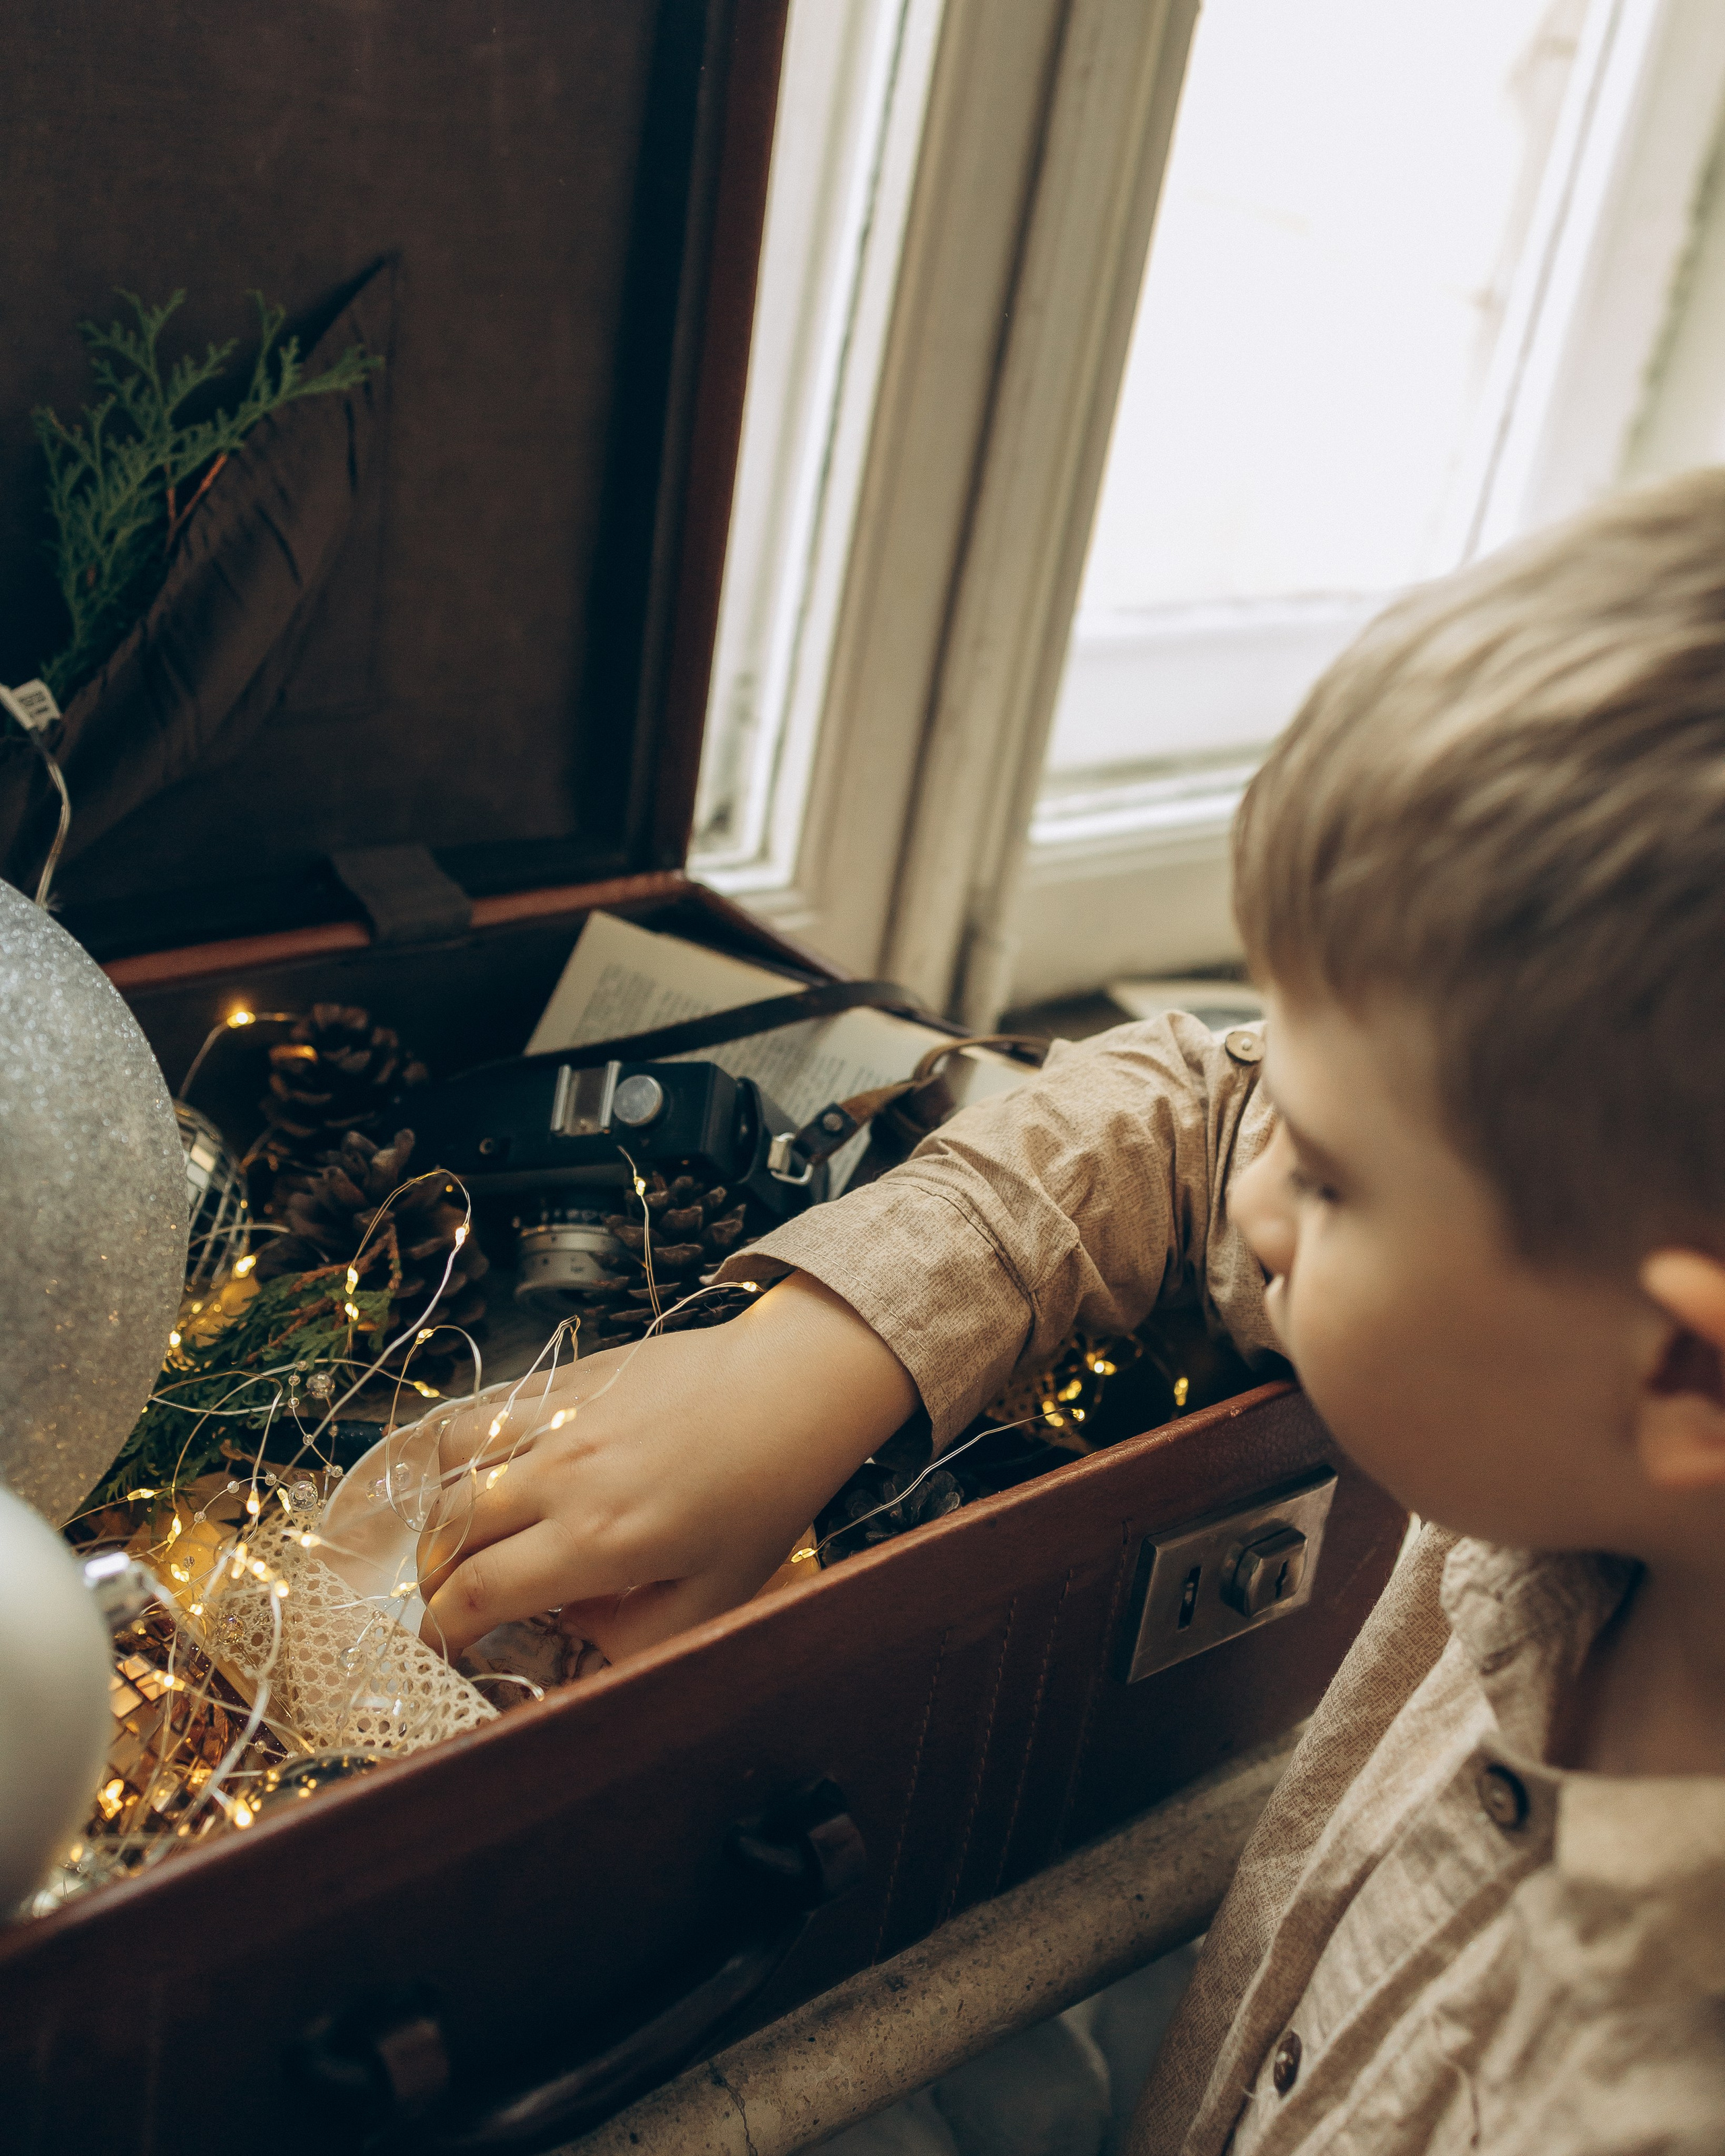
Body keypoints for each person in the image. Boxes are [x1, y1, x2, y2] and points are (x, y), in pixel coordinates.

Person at [416, 468, 1725, 2151]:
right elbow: (1192, 1111)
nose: (1255, 1200)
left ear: (1684, 1365)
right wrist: (814, 1358)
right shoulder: (1577, 1417)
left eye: (1324, 1181)